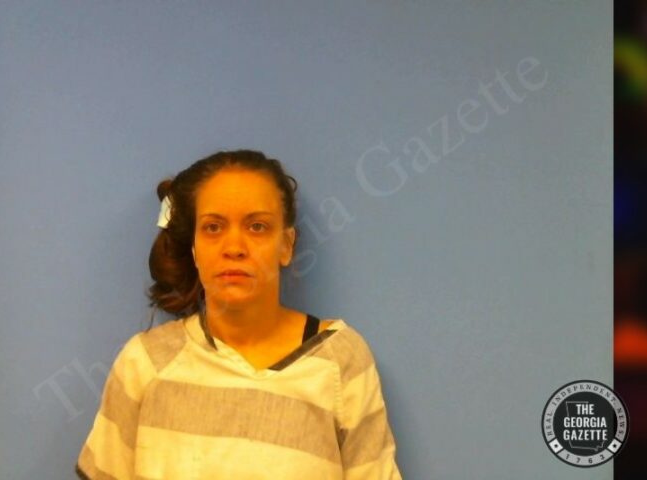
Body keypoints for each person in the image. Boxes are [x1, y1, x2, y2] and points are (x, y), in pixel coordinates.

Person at [75, 150, 402, 479]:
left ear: (286, 245)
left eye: (257, 226)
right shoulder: (146, 362)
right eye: (213, 227)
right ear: (194, 248)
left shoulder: (341, 361)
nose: (234, 247)